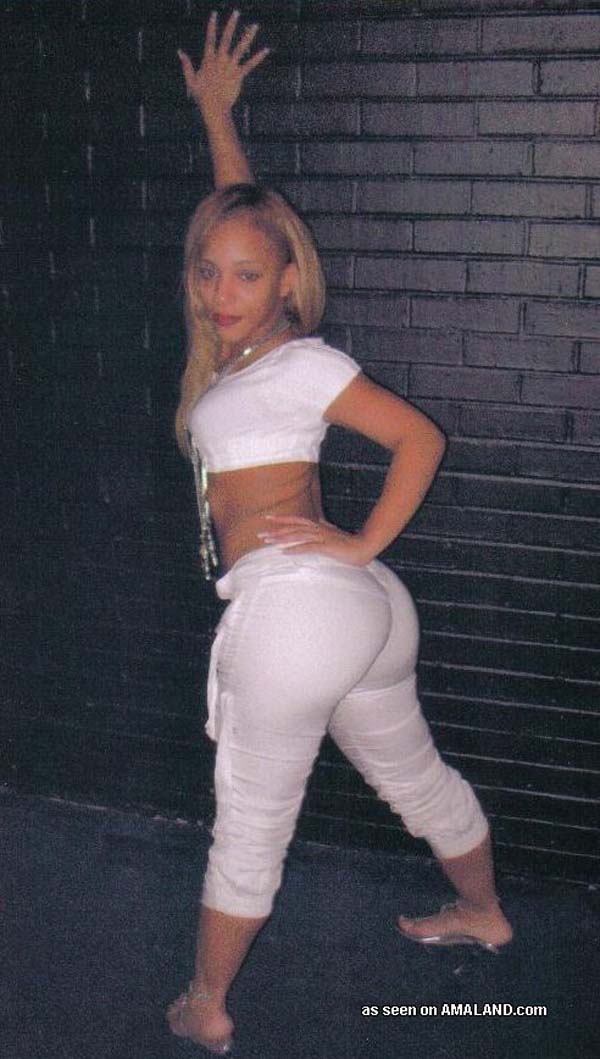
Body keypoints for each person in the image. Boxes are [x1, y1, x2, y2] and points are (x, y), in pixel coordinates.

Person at [168, 12, 512, 1054]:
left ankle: (205, 1004)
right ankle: (484, 913)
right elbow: (245, 228)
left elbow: (418, 437)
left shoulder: (303, 360)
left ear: (287, 283)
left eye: (247, 278)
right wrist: (218, 119)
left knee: (251, 820)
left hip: (301, 609)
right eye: (209, 273)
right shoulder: (248, 354)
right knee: (414, 777)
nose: (223, 292)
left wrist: (360, 543)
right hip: (360, 618)